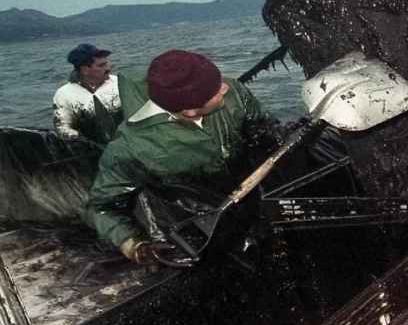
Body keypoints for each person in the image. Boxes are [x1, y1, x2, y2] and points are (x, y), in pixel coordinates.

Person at [88, 49, 277, 264]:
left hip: (248, 191)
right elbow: (102, 207)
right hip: (191, 218)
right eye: (215, 92)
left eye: (219, 81)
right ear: (190, 112)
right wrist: (134, 247)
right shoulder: (131, 148)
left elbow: (266, 131)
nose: (225, 87)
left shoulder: (233, 91)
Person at [53, 43, 124, 143]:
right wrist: (83, 140)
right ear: (85, 70)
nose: (109, 68)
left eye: (107, 63)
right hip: (92, 147)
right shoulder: (64, 94)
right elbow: (62, 128)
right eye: (101, 65)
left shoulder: (118, 83)